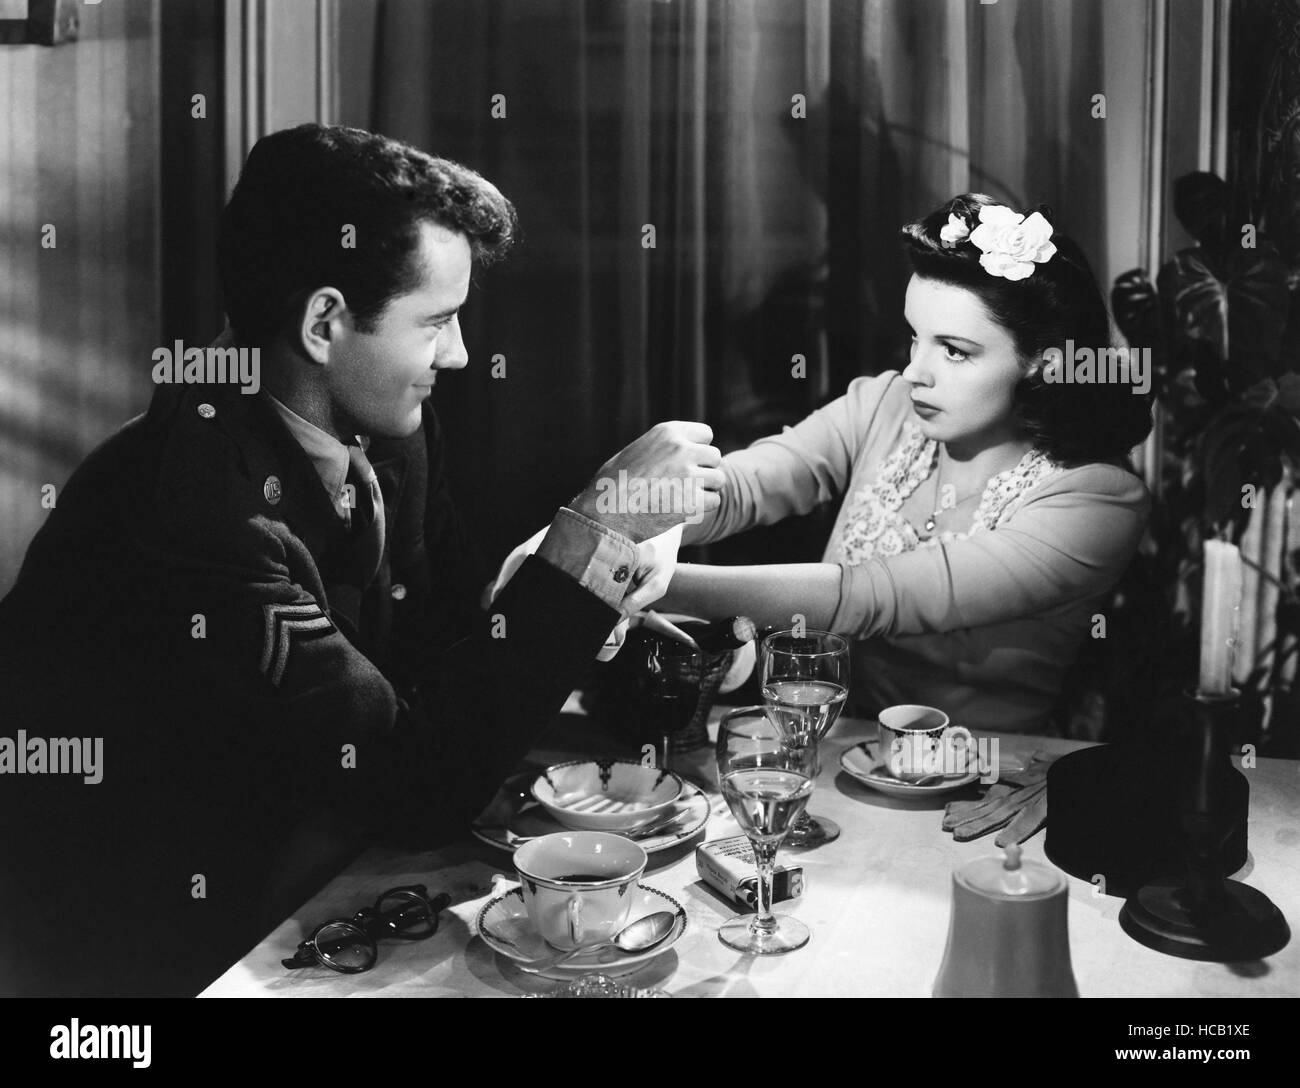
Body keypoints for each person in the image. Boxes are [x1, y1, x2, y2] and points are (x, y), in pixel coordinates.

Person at [0, 124, 722, 996]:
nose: (457, 354)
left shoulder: (382, 431)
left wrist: (575, 578)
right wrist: (587, 534)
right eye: (439, 321)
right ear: (325, 322)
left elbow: (453, 656)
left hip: (316, 881)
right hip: (146, 950)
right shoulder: (191, 512)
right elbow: (412, 785)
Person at [656, 194, 1153, 734]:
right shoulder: (886, 404)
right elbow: (747, 487)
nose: (916, 372)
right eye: (916, 338)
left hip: (984, 780)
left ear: (1041, 362)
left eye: (955, 351)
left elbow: (868, 596)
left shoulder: (1097, 500)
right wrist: (637, 508)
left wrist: (649, 579)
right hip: (832, 749)